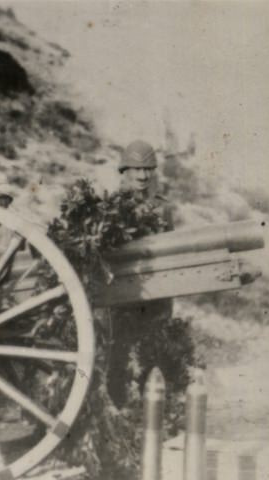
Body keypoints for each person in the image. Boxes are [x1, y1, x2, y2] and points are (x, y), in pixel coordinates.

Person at [106, 140, 175, 407]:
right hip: (122, 295)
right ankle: (120, 410)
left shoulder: (163, 208)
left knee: (153, 355)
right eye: (136, 169)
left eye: (148, 169)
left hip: (155, 295)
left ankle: (152, 414)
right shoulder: (110, 207)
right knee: (118, 356)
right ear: (124, 170)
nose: (143, 176)